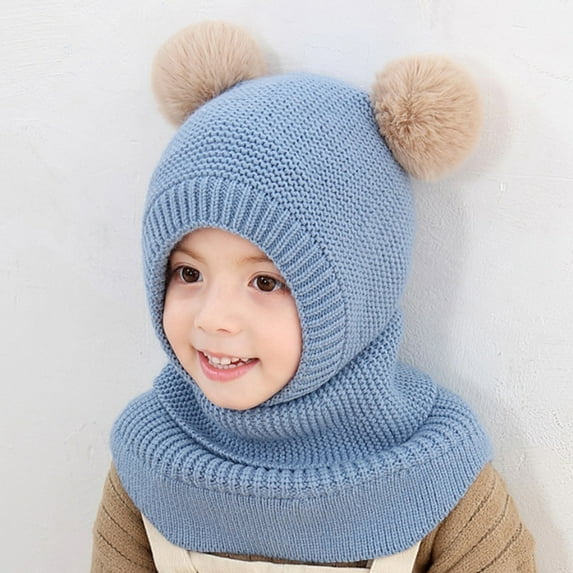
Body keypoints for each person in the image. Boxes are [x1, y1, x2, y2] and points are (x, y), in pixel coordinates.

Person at [91, 21, 535, 573]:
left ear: (360, 289)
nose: (214, 318)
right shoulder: (148, 458)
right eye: (188, 273)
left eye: (266, 282)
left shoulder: (440, 478)